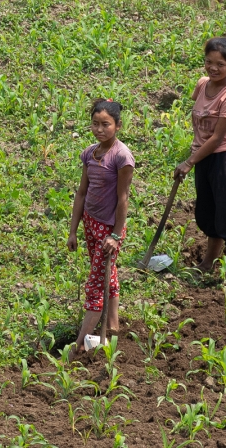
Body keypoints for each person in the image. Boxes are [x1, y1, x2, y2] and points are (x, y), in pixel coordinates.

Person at [174, 35, 226, 280]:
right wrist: (193, 158)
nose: (213, 68)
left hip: (222, 159)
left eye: (220, 64)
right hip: (202, 158)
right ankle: (207, 262)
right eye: (209, 62)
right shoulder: (203, 84)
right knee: (208, 212)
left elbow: (216, 138)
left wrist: (188, 161)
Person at [66, 99, 134, 352]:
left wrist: (115, 234)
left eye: (106, 124)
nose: (99, 129)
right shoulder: (89, 153)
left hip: (108, 228)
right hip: (91, 223)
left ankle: (79, 345)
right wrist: (73, 230)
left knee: (95, 285)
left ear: (118, 126)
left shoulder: (122, 157)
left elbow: (122, 199)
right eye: (95, 124)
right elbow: (82, 193)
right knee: (108, 273)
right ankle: (112, 324)